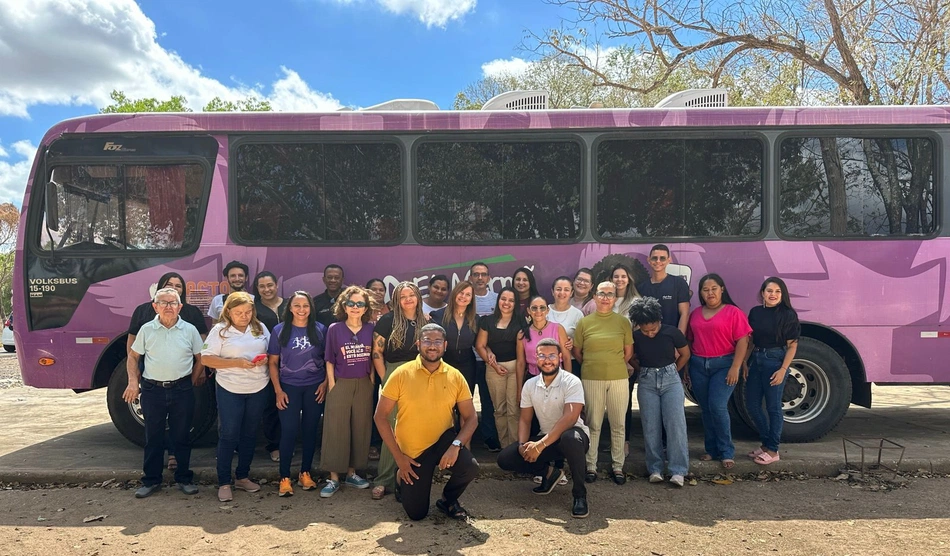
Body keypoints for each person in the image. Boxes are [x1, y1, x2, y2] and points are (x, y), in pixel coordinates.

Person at [374, 323, 479, 521]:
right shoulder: (401, 373)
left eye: (438, 341)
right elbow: (380, 417)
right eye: (427, 340)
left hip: (443, 442)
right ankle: (400, 477)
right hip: (413, 454)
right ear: (418, 344)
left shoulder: (455, 375)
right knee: (417, 514)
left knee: (470, 466)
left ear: (445, 345)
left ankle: (448, 500)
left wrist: (456, 445)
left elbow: (471, 417)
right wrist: (400, 459)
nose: (432, 345)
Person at [497, 338, 591, 518]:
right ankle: (550, 473)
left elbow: (569, 418)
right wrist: (523, 445)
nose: (547, 360)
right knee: (506, 458)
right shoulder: (530, 385)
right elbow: (525, 420)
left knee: (571, 438)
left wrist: (539, 445)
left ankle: (580, 495)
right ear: (536, 358)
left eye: (552, 355)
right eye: (542, 355)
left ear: (560, 357)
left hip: (573, 437)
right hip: (546, 439)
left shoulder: (572, 381)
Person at [125, 287, 204, 498]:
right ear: (155, 306)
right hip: (152, 390)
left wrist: (194, 378)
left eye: (173, 303)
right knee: (153, 437)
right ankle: (151, 481)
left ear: (180, 307)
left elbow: (201, 357)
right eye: (163, 302)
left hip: (182, 389)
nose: (168, 307)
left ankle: (184, 479)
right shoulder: (146, 330)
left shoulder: (190, 330)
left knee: (181, 437)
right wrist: (133, 382)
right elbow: (133, 357)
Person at [201, 292, 271, 502]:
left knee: (250, 433)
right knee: (229, 434)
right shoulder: (220, 331)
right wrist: (237, 363)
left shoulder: (260, 328)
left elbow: (273, 353)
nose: (244, 316)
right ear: (228, 312)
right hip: (230, 388)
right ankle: (224, 482)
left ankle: (242, 476)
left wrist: (265, 358)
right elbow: (206, 359)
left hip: (258, 387)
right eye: (239, 312)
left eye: (248, 311)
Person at [687, 273, 752, 470]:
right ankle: (711, 449)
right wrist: (687, 369)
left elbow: (743, 340)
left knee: (717, 406)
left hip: (723, 365)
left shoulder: (733, 312)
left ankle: (726, 451)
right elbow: (690, 341)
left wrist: (736, 366)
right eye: (705, 290)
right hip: (698, 365)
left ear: (722, 289)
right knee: (706, 409)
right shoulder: (696, 313)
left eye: (714, 288)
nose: (710, 293)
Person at [572, 282, 633, 485]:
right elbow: (578, 352)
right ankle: (591, 466)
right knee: (594, 424)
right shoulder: (585, 322)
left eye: (610, 294)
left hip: (618, 378)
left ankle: (618, 466)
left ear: (615, 298)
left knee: (618, 424)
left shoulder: (623, 323)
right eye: (601, 293)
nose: (605, 297)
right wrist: (593, 363)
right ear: (595, 297)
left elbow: (628, 353)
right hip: (592, 377)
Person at [267, 291, 327, 497]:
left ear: (311, 308)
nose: (302, 310)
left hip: (314, 387)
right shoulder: (279, 331)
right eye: (297, 306)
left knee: (310, 431)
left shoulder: (320, 330)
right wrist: (278, 390)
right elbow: (273, 363)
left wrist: (325, 384)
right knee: (289, 431)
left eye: (306, 306)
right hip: (288, 388)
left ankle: (305, 473)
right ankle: (284, 477)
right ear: (290, 308)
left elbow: (329, 360)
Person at [321, 286, 377, 497]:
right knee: (336, 428)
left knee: (359, 428)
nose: (355, 307)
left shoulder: (371, 329)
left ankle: (352, 474)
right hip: (340, 383)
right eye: (351, 303)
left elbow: (374, 357)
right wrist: (332, 384)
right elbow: (329, 358)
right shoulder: (335, 329)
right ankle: (334, 477)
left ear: (365, 308)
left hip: (363, 383)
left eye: (360, 304)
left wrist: (371, 381)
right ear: (344, 306)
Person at [370, 281, 425, 500]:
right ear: (396, 300)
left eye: (411, 295)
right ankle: (384, 479)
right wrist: (386, 380)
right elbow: (377, 353)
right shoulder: (387, 321)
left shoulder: (426, 321)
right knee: (391, 428)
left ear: (418, 297)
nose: (408, 299)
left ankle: (408, 476)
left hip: (419, 376)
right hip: (394, 373)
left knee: (415, 428)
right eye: (403, 297)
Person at [628, 297, 691, 487]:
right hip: (647, 381)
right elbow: (630, 357)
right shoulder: (636, 337)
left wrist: (674, 370)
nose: (649, 333)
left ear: (660, 320)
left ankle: (678, 470)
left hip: (671, 379)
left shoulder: (672, 332)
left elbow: (686, 353)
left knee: (675, 424)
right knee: (650, 425)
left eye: (653, 329)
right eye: (645, 330)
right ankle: (654, 468)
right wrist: (641, 371)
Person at [744, 277, 800, 466]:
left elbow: (792, 346)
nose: (773, 294)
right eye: (769, 291)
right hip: (757, 359)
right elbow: (751, 341)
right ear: (762, 293)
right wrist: (744, 362)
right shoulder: (755, 312)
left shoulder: (787, 314)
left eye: (777, 291)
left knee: (773, 407)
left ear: (782, 294)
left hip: (775, 361)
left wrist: (783, 370)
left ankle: (773, 450)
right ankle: (767, 443)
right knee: (751, 404)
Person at [475, 287, 525, 449]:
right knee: (499, 410)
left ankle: (515, 447)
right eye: (504, 299)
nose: (507, 303)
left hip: (514, 368)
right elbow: (480, 345)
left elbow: (522, 353)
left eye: (511, 300)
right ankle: (505, 448)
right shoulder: (487, 321)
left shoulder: (520, 322)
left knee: (514, 410)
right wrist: (493, 364)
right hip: (493, 369)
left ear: (515, 303)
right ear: (498, 301)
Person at [253, 270, 287, 463]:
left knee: (288, 405)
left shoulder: (289, 304)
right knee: (271, 406)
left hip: (293, 364)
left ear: (276, 285)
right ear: (257, 289)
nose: (267, 289)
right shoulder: (254, 309)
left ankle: (288, 442)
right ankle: (274, 445)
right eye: (262, 286)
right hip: (265, 364)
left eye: (270, 285)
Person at [469, 262, 501, 452]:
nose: (480, 278)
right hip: (467, 359)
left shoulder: (497, 300)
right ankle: (462, 437)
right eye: (476, 274)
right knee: (463, 400)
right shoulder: (464, 299)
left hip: (489, 360)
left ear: (489, 278)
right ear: (470, 278)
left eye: (483, 274)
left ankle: (489, 437)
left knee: (489, 401)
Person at [430, 281, 478, 392]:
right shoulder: (437, 316)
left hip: (468, 365)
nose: (463, 297)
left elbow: (480, 344)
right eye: (461, 293)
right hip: (444, 363)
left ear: (471, 299)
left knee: (464, 402)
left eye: (468, 294)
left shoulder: (476, 319)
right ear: (455, 294)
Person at [637, 244, 690, 334]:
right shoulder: (641, 287)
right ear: (649, 260)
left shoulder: (679, 283)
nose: (658, 261)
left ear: (669, 260)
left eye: (662, 258)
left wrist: (679, 340)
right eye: (654, 258)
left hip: (671, 339)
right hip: (648, 339)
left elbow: (684, 314)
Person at [518, 294, 572, 377]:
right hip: (533, 378)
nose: (538, 311)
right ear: (529, 311)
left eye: (542, 308)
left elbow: (566, 358)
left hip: (556, 377)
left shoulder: (558, 328)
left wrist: (568, 382)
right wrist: (519, 389)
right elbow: (521, 363)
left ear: (547, 310)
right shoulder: (522, 334)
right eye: (534, 308)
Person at [365, 277, 388, 461]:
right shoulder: (362, 310)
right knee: (370, 404)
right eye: (374, 289)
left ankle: (390, 440)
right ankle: (372, 442)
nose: (378, 292)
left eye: (381, 289)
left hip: (388, 362)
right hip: (365, 365)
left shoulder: (391, 310)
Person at [548, 276, 585, 378]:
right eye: (558, 289)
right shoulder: (544, 311)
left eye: (566, 290)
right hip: (547, 363)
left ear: (571, 293)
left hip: (571, 362)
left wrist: (574, 342)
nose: (562, 293)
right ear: (552, 291)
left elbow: (583, 341)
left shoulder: (578, 314)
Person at [313, 264, 345, 328]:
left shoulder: (350, 300)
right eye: (329, 277)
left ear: (342, 280)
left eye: (337, 278)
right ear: (324, 279)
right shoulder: (315, 302)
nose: (333, 280)